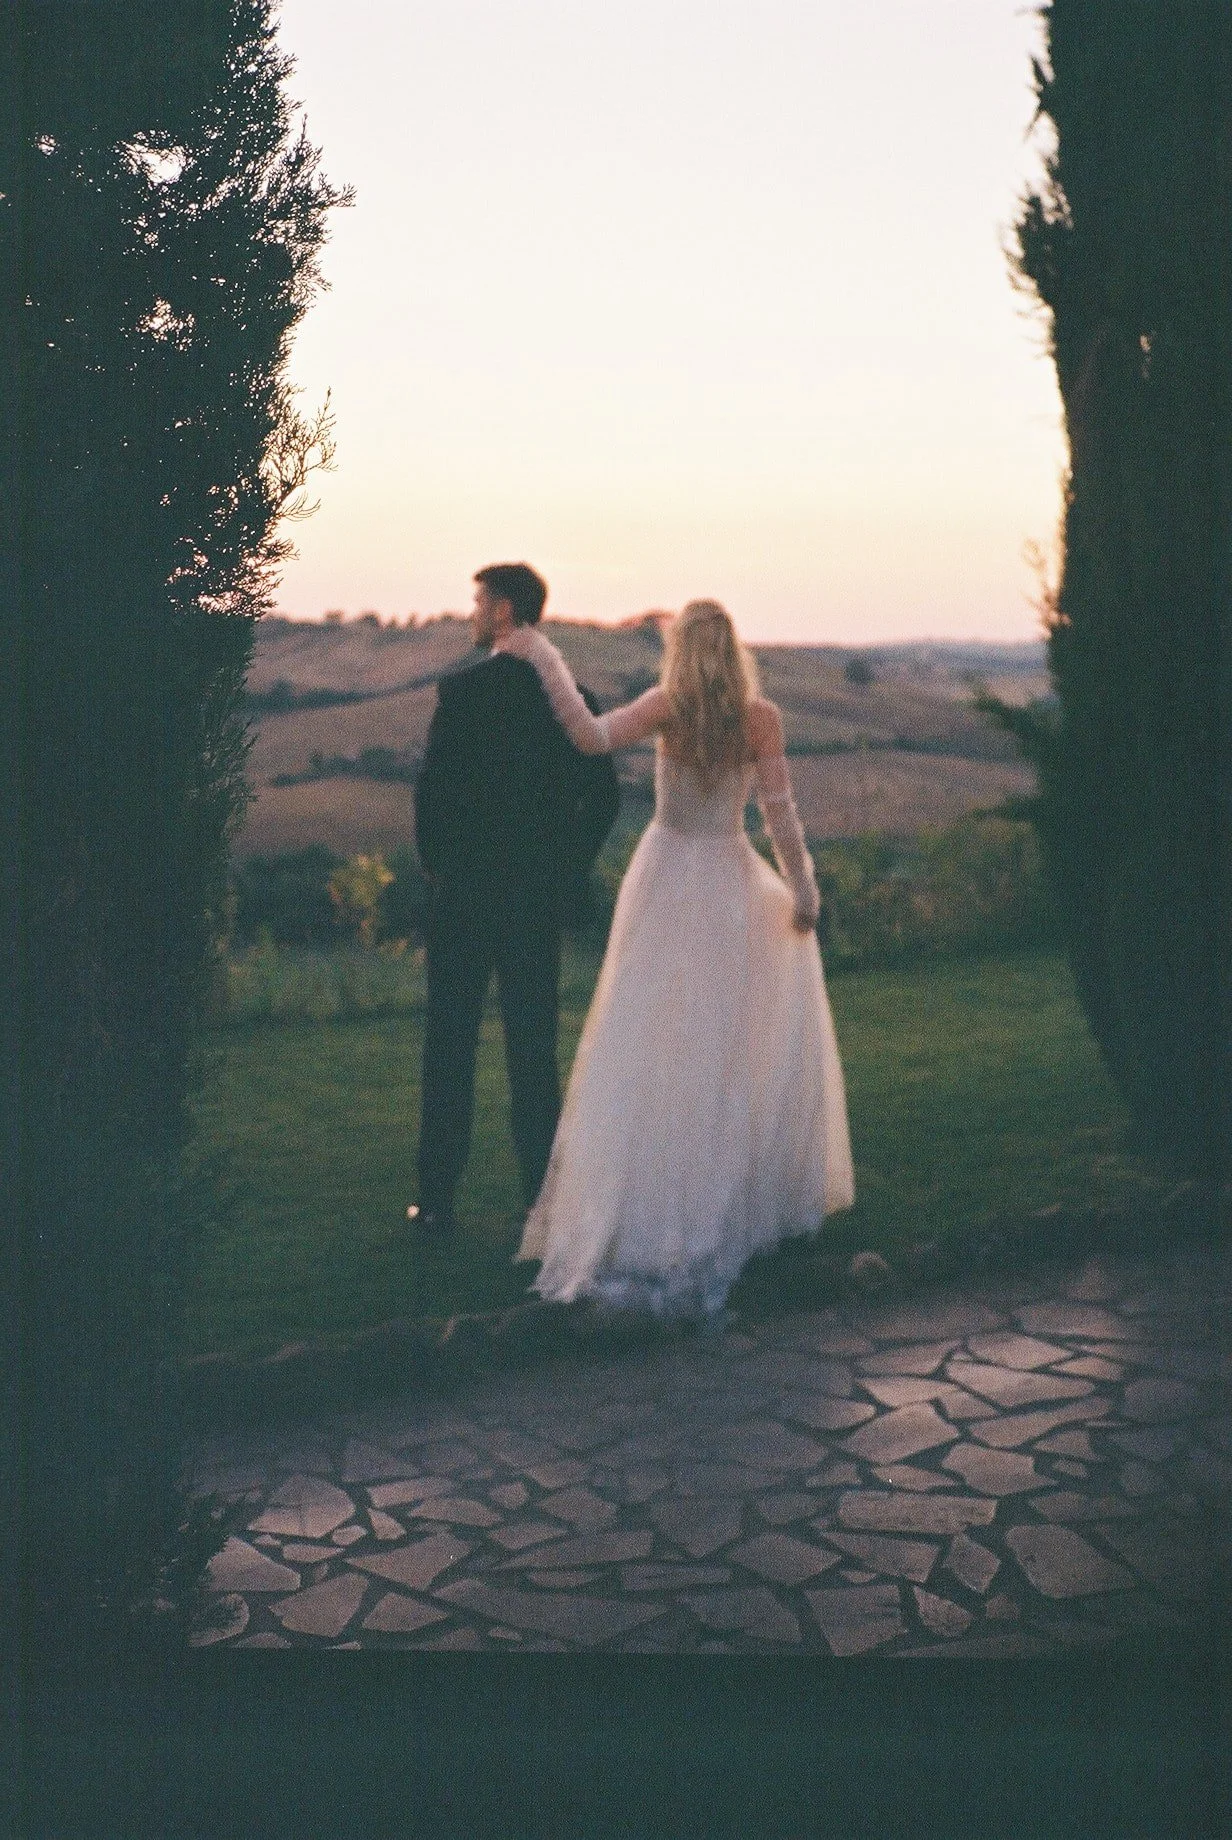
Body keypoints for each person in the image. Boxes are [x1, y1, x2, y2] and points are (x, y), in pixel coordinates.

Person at [499, 598, 855, 1316]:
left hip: (664, 875)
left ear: (681, 649)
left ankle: (647, 1201)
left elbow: (590, 737)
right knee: (722, 1042)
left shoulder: (667, 705)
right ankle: (716, 1198)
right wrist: (804, 889)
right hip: (724, 878)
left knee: (646, 1037)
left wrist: (547, 659)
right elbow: (780, 818)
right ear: (733, 648)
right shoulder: (760, 719)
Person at [408, 563, 619, 1234]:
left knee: (449, 1049)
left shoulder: (463, 693)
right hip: (534, 902)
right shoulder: (569, 697)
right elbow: (605, 796)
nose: (472, 613)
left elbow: (430, 793)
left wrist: (440, 869)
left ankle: (437, 1203)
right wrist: (566, 868)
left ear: (503, 610)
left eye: (478, 601)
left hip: (465, 896)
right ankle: (541, 1200)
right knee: (534, 1054)